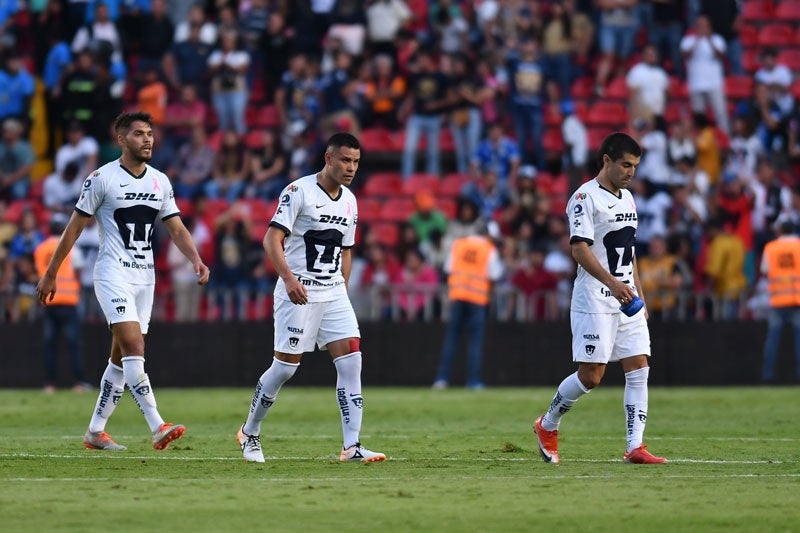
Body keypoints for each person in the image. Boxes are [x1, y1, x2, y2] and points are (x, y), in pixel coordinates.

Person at [35, 111, 211, 451]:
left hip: (145, 277)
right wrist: (52, 272)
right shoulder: (101, 178)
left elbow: (175, 227)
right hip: (112, 272)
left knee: (119, 359)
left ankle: (95, 432)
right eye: (138, 134)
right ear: (121, 140)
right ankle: (157, 425)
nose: (147, 139)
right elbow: (74, 227)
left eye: (149, 133)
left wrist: (196, 259)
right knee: (135, 348)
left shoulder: (160, 181)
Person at [236, 133, 386, 464]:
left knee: (352, 360)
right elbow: (271, 240)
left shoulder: (350, 200)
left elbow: (346, 250)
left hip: (332, 293)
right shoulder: (298, 191)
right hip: (298, 290)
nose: (351, 168)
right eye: (345, 160)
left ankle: (352, 446)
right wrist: (287, 278)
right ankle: (250, 432)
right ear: (328, 158)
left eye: (356, 162)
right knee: (285, 369)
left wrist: (341, 290)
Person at [532, 132, 667, 465]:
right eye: (625, 164)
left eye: (635, 166)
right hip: (595, 296)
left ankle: (635, 446)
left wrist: (638, 292)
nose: (631, 172)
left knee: (639, 367)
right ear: (606, 160)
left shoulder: (628, 198)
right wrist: (612, 284)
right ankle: (547, 424)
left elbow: (629, 250)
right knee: (591, 376)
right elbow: (578, 249)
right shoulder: (584, 198)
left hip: (627, 297)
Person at [432, 223, 504, 390]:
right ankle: (473, 381)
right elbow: (494, 275)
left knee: (451, 339)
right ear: (488, 235)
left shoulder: (459, 244)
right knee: (474, 341)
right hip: (478, 299)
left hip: (457, 296)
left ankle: (441, 379)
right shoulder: (488, 249)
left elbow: (448, 269)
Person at [34, 219, 89, 393]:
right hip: (69, 302)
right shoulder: (73, 249)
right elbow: (79, 271)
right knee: (74, 345)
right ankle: (79, 383)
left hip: (48, 302)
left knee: (50, 344)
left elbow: (40, 274)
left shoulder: (41, 249)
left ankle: (49, 384)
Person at [761, 220, 800, 384]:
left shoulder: (770, 248)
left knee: (772, 340)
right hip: (797, 300)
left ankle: (768, 376)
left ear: (780, 231)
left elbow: (764, 270)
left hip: (778, 300)